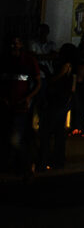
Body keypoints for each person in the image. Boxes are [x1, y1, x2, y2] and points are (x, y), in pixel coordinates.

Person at [1, 35, 41, 180]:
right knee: (9, 135)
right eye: (12, 44)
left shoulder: (28, 60)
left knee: (16, 138)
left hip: (22, 105)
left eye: (16, 43)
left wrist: (28, 98)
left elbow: (37, 83)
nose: (14, 46)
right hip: (8, 104)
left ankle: (27, 164)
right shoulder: (6, 60)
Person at [37, 43, 76, 171]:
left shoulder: (64, 66)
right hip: (63, 101)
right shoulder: (71, 67)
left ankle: (44, 161)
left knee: (47, 132)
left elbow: (55, 80)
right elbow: (73, 88)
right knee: (59, 133)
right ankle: (58, 161)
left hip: (57, 100)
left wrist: (49, 76)